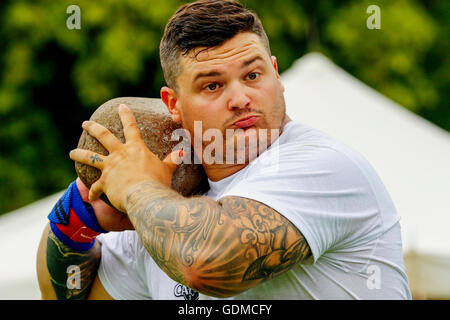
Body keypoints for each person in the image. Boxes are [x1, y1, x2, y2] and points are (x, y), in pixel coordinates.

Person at [37, 0, 411, 300]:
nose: (240, 98)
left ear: (276, 75)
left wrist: (135, 190)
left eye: (252, 75)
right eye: (212, 86)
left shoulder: (324, 165)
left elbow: (205, 264)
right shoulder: (162, 207)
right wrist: (81, 213)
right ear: (173, 104)